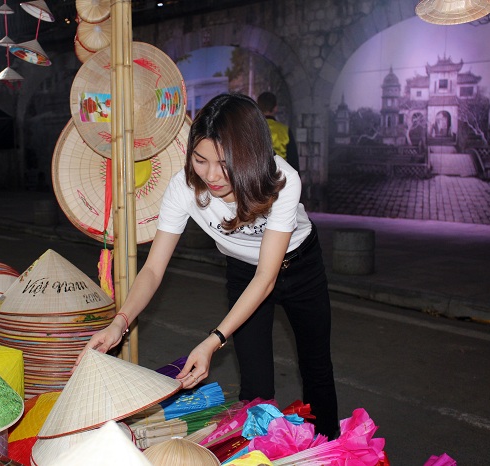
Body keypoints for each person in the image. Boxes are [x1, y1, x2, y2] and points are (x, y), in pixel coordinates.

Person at [80, 93, 339, 439]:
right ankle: (259, 455)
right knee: (256, 387)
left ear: (250, 155)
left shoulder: (282, 179)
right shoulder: (184, 187)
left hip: (300, 266)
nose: (212, 176)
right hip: (244, 270)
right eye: (200, 160)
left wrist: (213, 341)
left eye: (225, 164)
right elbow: (153, 269)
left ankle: (328, 450)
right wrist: (120, 322)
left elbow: (267, 277)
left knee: (316, 368)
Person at [257, 91, 300, 173]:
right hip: (280, 176)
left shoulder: (251, 130)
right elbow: (293, 161)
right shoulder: (285, 131)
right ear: (275, 108)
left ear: (258, 108)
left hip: (257, 176)